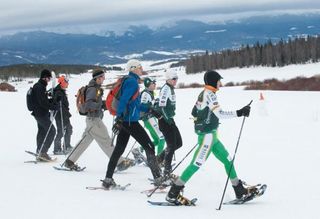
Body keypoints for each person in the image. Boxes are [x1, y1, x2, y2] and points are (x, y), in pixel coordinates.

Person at [166, 70, 254, 205]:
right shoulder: (210, 95)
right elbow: (220, 114)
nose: (221, 83)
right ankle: (173, 193)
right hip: (207, 137)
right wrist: (240, 112)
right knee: (195, 164)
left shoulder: (204, 93)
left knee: (227, 160)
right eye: (219, 81)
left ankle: (239, 190)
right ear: (214, 81)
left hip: (212, 136)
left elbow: (194, 111)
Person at [102, 59, 162, 188]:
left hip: (126, 120)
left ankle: (108, 179)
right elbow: (123, 100)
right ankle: (158, 178)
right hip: (130, 121)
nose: (141, 69)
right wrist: (119, 117)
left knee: (119, 149)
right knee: (149, 146)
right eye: (140, 67)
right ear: (133, 68)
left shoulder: (129, 81)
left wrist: (150, 110)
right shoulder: (132, 82)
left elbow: (135, 104)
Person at [63, 69, 134, 171]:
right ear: (97, 78)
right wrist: (101, 105)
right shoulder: (93, 89)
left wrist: (104, 105)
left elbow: (94, 103)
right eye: (102, 77)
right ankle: (120, 162)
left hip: (92, 120)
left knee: (84, 141)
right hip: (94, 120)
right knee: (106, 141)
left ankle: (69, 161)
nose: (104, 79)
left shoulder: (95, 88)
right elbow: (88, 104)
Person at [154, 70, 182, 177]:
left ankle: (158, 160)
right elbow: (162, 106)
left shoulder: (170, 88)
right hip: (165, 121)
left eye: (176, 79)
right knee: (171, 145)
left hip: (170, 120)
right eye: (174, 79)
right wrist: (167, 119)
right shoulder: (166, 89)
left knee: (178, 143)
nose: (175, 81)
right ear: (168, 79)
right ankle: (167, 171)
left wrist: (170, 119)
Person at [132, 78, 165, 162]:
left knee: (157, 140)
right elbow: (142, 105)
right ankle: (159, 160)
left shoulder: (150, 93)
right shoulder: (145, 94)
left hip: (151, 118)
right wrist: (153, 105)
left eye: (154, 83)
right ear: (148, 85)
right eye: (153, 83)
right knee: (162, 138)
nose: (154, 84)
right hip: (148, 118)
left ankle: (139, 150)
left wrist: (155, 103)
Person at [31, 69, 57, 161]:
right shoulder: (39, 87)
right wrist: (53, 107)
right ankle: (43, 152)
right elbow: (42, 102)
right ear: (45, 78)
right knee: (52, 131)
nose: (49, 80)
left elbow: (43, 100)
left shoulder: (40, 86)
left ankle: (40, 150)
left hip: (40, 113)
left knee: (42, 131)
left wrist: (53, 102)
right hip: (40, 114)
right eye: (49, 78)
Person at [53, 75, 73, 155]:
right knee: (60, 132)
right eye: (66, 82)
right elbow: (56, 103)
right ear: (62, 82)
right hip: (59, 115)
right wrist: (58, 100)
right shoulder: (58, 92)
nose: (68, 83)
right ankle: (57, 149)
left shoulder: (62, 90)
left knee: (69, 129)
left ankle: (67, 146)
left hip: (65, 114)